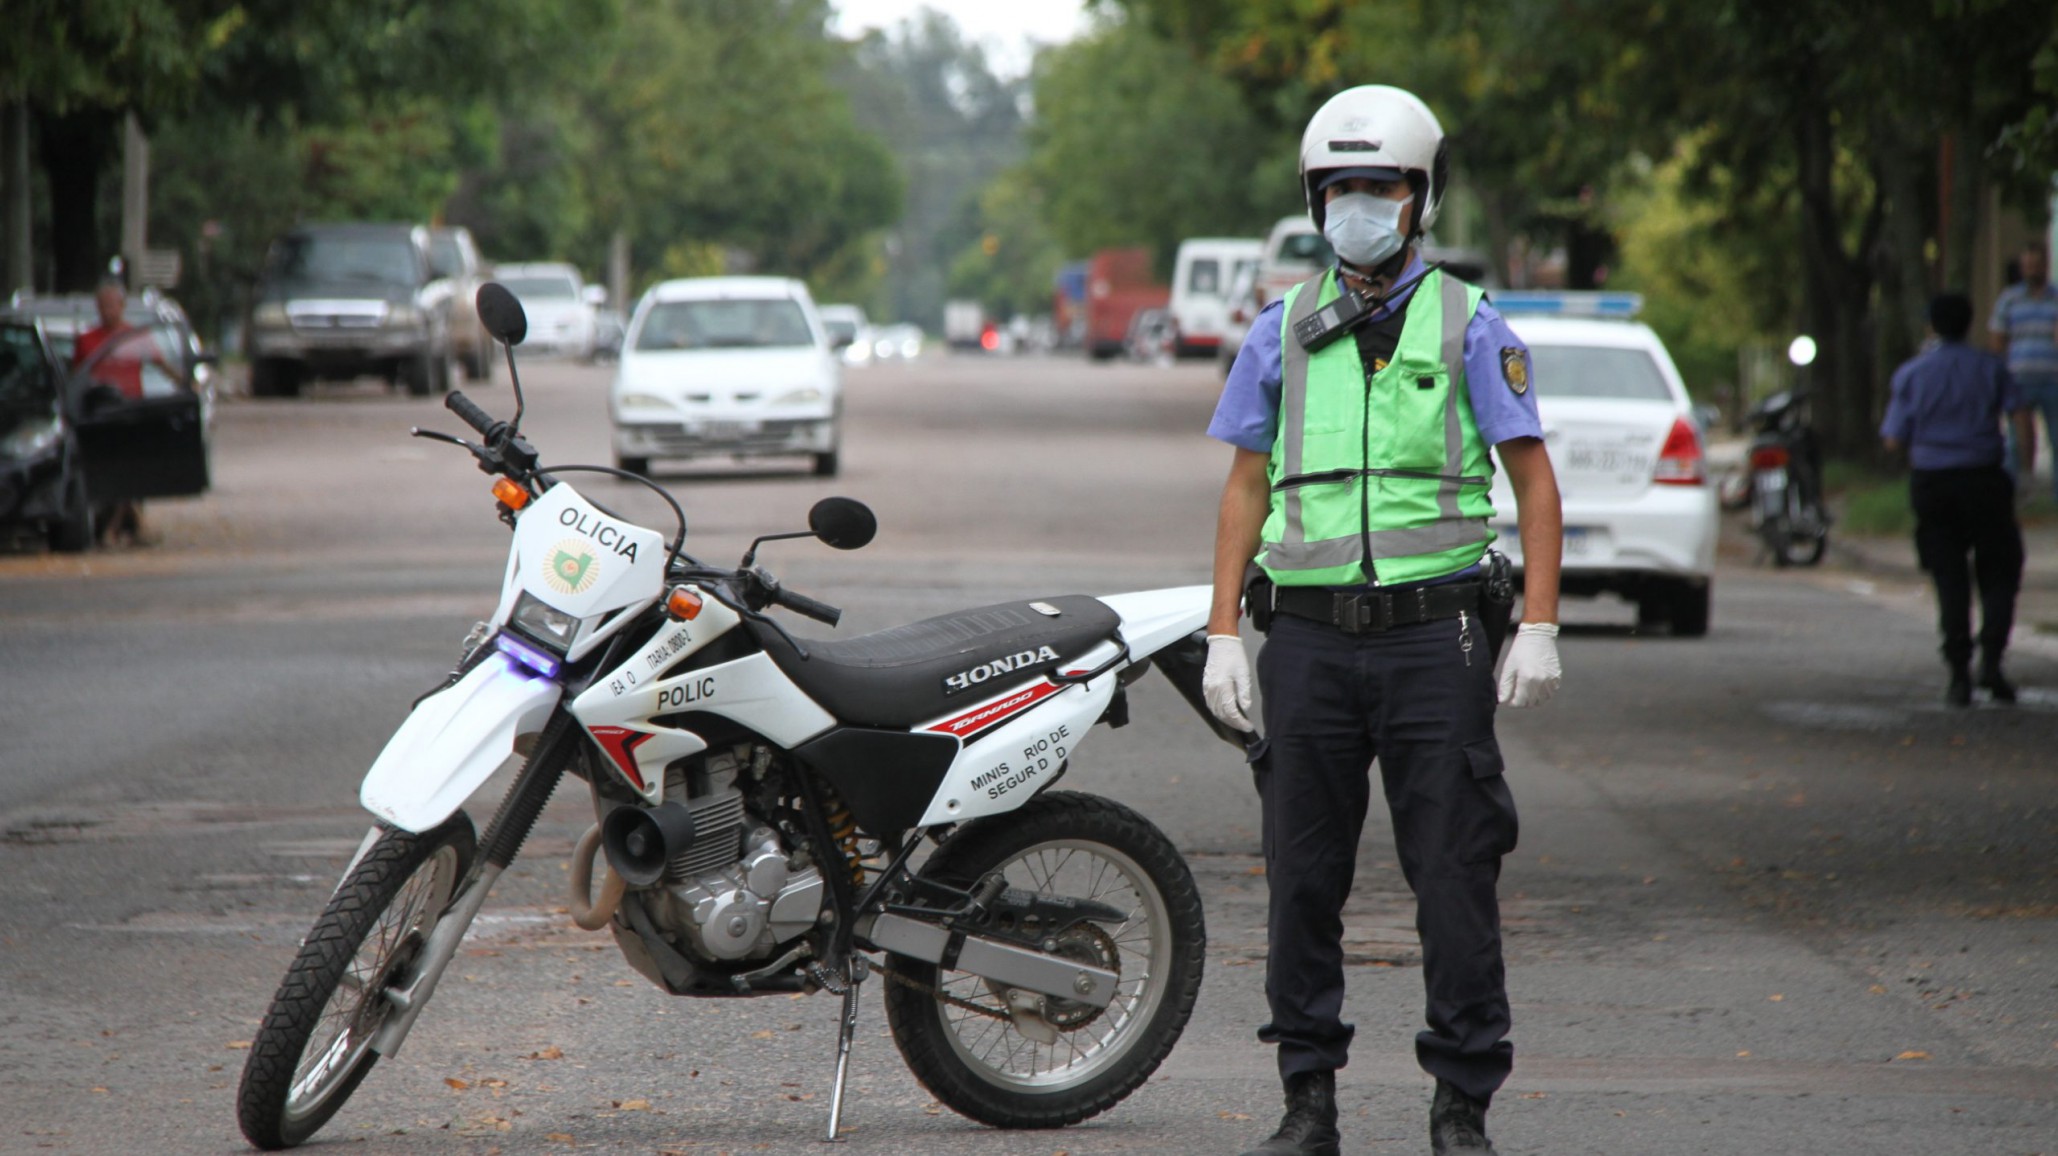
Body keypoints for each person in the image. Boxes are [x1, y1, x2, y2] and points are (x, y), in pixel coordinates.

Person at [1202, 85, 1564, 1156]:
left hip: (1433, 638)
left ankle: (1461, 1103)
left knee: (1453, 874)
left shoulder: (1470, 325)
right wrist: (1225, 629)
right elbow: (1243, 488)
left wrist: (1538, 621)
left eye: (1382, 186)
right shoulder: (1280, 332)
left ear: (1421, 198)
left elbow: (1533, 485)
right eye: (1341, 188)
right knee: (1302, 876)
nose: (1360, 204)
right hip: (1308, 639)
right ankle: (1307, 1098)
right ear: (1316, 200)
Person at [1884, 292, 2034, 706]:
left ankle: (1958, 674)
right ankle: (1992, 658)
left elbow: (1894, 438)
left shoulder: (1912, 374)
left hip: (1934, 484)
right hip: (1985, 480)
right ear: (1970, 324)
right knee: (2000, 571)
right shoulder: (1991, 368)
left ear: (1931, 325)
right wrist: (2022, 470)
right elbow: (2020, 415)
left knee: (1949, 577)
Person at [1988, 241, 2058, 502]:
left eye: (2036, 265)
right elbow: (1997, 339)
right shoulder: (2009, 299)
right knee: (2017, 442)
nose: (2031, 270)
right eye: (2027, 265)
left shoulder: (2056, 298)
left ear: (2045, 266)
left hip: (2053, 379)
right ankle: (2014, 493)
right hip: (2018, 380)